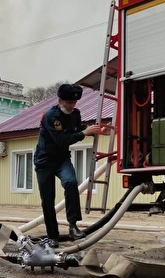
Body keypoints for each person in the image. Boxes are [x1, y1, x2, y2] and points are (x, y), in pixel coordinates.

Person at [34, 83, 110, 248]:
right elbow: (62, 140)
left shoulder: (75, 114)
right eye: (68, 103)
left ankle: (73, 226)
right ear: (60, 100)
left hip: (62, 159)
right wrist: (84, 133)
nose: (71, 106)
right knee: (48, 200)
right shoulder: (50, 117)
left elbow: (76, 128)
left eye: (74, 103)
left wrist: (96, 130)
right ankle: (52, 236)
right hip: (44, 161)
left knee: (71, 182)